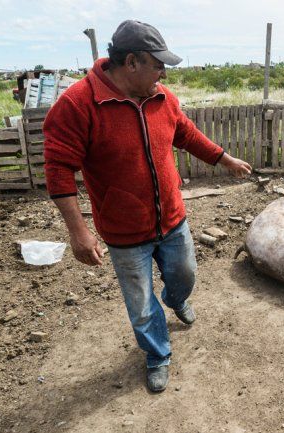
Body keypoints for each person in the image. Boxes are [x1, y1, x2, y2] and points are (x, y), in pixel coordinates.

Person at [43, 20, 251, 393]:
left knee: (185, 274)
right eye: (158, 64)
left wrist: (224, 159)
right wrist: (78, 232)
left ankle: (175, 299)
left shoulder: (162, 97)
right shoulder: (78, 104)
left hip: (171, 218)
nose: (164, 72)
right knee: (140, 305)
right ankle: (157, 355)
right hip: (124, 231)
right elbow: (58, 169)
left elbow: (186, 134)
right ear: (133, 62)